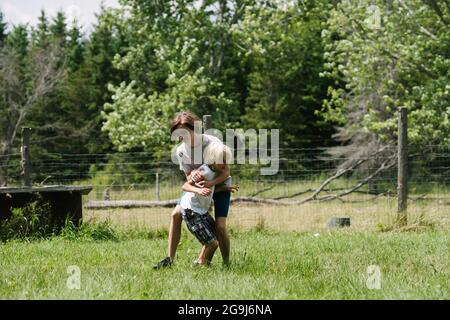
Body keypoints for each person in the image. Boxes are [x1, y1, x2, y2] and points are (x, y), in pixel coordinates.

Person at [153, 111, 237, 269]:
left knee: (219, 225)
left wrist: (211, 184)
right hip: (200, 187)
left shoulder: (213, 143)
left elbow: (226, 171)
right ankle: (169, 260)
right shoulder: (181, 151)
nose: (181, 137)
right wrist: (193, 176)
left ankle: (227, 264)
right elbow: (187, 178)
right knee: (176, 214)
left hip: (220, 182)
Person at [179, 143, 233, 265]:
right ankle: (204, 266)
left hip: (201, 211)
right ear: (213, 158)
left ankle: (199, 262)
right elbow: (185, 186)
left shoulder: (218, 170)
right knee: (213, 243)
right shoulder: (203, 171)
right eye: (222, 160)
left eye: (226, 160)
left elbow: (212, 188)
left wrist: (223, 189)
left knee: (215, 236)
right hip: (191, 211)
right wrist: (199, 190)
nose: (225, 163)